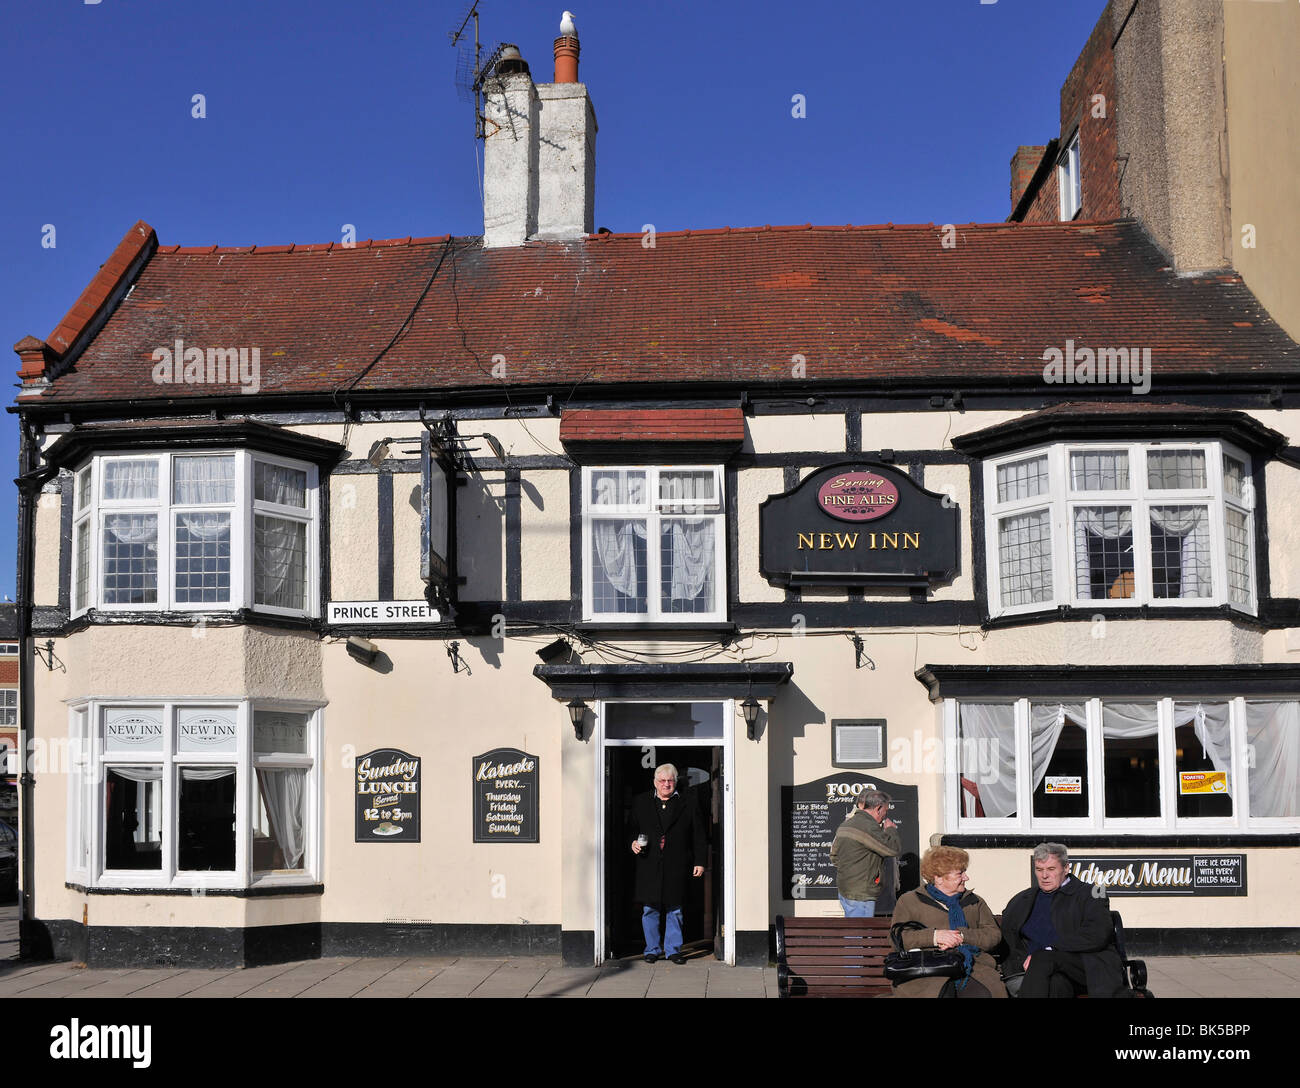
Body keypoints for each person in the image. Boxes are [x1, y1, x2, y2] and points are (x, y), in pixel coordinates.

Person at [1000, 842, 1125, 998]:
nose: (1044, 875)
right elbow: (1006, 933)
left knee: (1042, 958)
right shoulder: (1023, 899)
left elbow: (1098, 934)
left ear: (1066, 868)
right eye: (1039, 870)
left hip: (1083, 964)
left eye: (1051, 869)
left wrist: (1052, 949)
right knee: (1056, 984)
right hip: (1042, 973)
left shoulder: (1093, 892)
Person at [889, 846, 1007, 998]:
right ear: (938, 878)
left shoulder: (974, 901)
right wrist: (935, 937)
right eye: (960, 873)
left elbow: (993, 935)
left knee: (982, 993)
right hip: (926, 970)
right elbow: (897, 938)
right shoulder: (910, 901)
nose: (966, 877)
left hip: (971, 967)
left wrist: (962, 936)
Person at [629, 763, 705, 964]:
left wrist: (700, 861)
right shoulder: (641, 802)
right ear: (655, 782)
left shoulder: (688, 802)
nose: (666, 784)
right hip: (649, 864)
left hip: (677, 864)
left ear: (675, 782)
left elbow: (698, 834)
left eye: (670, 780)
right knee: (649, 909)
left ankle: (673, 950)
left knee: (675, 909)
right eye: (662, 780)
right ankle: (652, 949)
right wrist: (632, 842)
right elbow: (630, 828)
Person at [829, 788, 899, 917]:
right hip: (861, 893)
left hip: (846, 889)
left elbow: (834, 856)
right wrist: (890, 830)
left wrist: (853, 870)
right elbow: (892, 849)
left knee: (853, 930)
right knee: (859, 933)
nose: (886, 814)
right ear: (878, 808)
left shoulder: (846, 824)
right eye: (886, 810)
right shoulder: (868, 826)